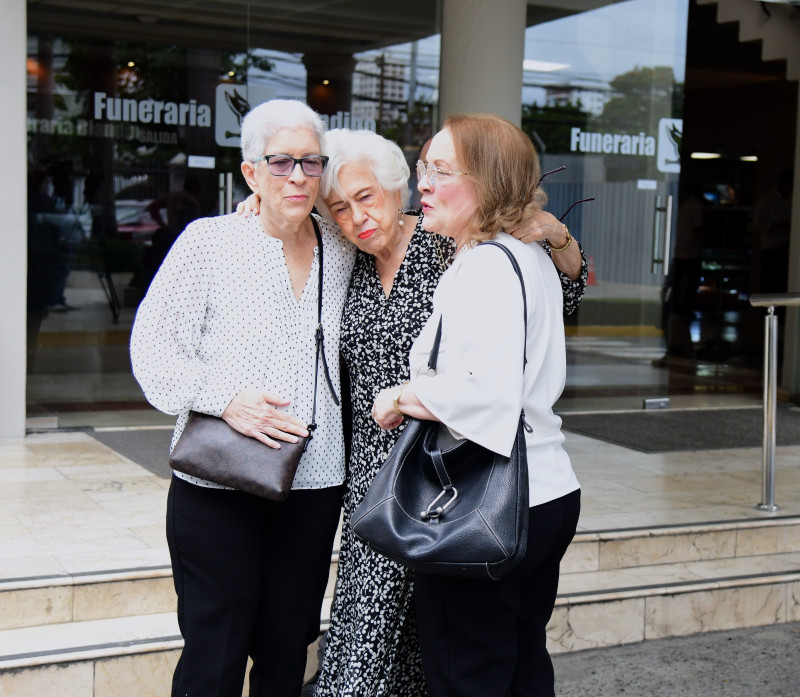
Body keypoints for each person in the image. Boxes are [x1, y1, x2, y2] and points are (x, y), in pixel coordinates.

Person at [237, 126, 586, 697]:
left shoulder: (460, 244)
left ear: (397, 189)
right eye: (340, 207)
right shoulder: (343, 254)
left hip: (454, 475)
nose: (356, 217)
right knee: (370, 648)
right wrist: (263, 195)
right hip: (378, 482)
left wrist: (556, 233)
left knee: (455, 657)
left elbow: (543, 312)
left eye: (367, 197)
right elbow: (288, 223)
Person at [129, 99, 356, 697]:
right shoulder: (208, 243)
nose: (299, 177)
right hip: (220, 482)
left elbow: (400, 220)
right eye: (281, 163)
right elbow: (153, 350)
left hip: (314, 482)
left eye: (311, 163)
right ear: (250, 173)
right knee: (215, 650)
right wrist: (224, 398)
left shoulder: (343, 248)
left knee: (288, 647)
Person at [372, 113, 581, 697]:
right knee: (520, 663)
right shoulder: (529, 256)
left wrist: (399, 398)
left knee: (467, 673)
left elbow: (481, 390)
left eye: (442, 171)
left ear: (489, 182)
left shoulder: (485, 264)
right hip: (546, 490)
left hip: (488, 501)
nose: (424, 185)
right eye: (423, 169)